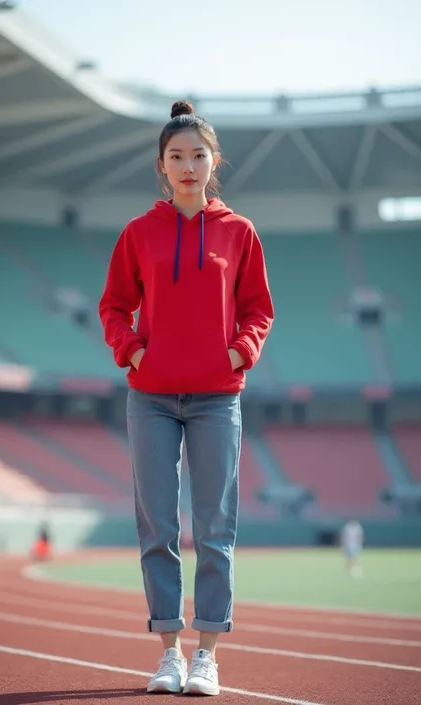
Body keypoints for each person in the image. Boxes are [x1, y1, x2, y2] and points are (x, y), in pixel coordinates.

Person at [99, 100, 274, 696]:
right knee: (157, 528)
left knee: (215, 528)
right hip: (149, 398)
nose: (189, 165)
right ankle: (168, 654)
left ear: (214, 161)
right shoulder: (138, 234)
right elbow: (114, 306)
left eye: (199, 155)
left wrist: (238, 353)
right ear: (162, 166)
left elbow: (258, 310)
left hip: (217, 399)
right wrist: (133, 352)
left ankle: (207, 658)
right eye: (177, 156)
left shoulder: (239, 232)